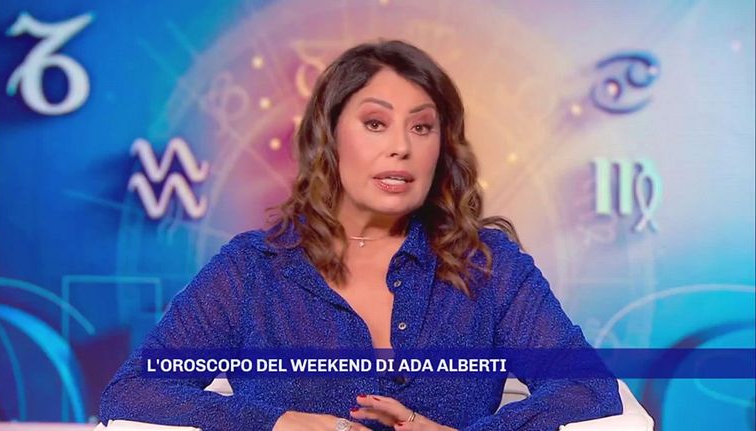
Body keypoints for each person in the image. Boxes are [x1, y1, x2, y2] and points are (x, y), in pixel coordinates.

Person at [100, 39, 622, 431]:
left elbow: (586, 388)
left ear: (442, 147)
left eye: (422, 127)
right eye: (375, 124)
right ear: (328, 137)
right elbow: (134, 391)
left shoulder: (487, 265)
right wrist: (276, 423)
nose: (401, 147)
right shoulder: (253, 269)